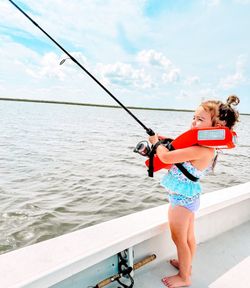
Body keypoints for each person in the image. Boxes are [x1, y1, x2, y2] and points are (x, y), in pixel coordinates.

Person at [148, 95, 240, 288]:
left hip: (181, 201)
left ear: (216, 128)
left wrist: (155, 142)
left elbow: (165, 157)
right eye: (194, 117)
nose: (194, 122)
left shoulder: (201, 151)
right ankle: (185, 265)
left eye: (200, 120)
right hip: (189, 198)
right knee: (189, 237)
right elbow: (177, 159)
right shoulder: (203, 148)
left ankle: (184, 277)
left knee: (179, 239)